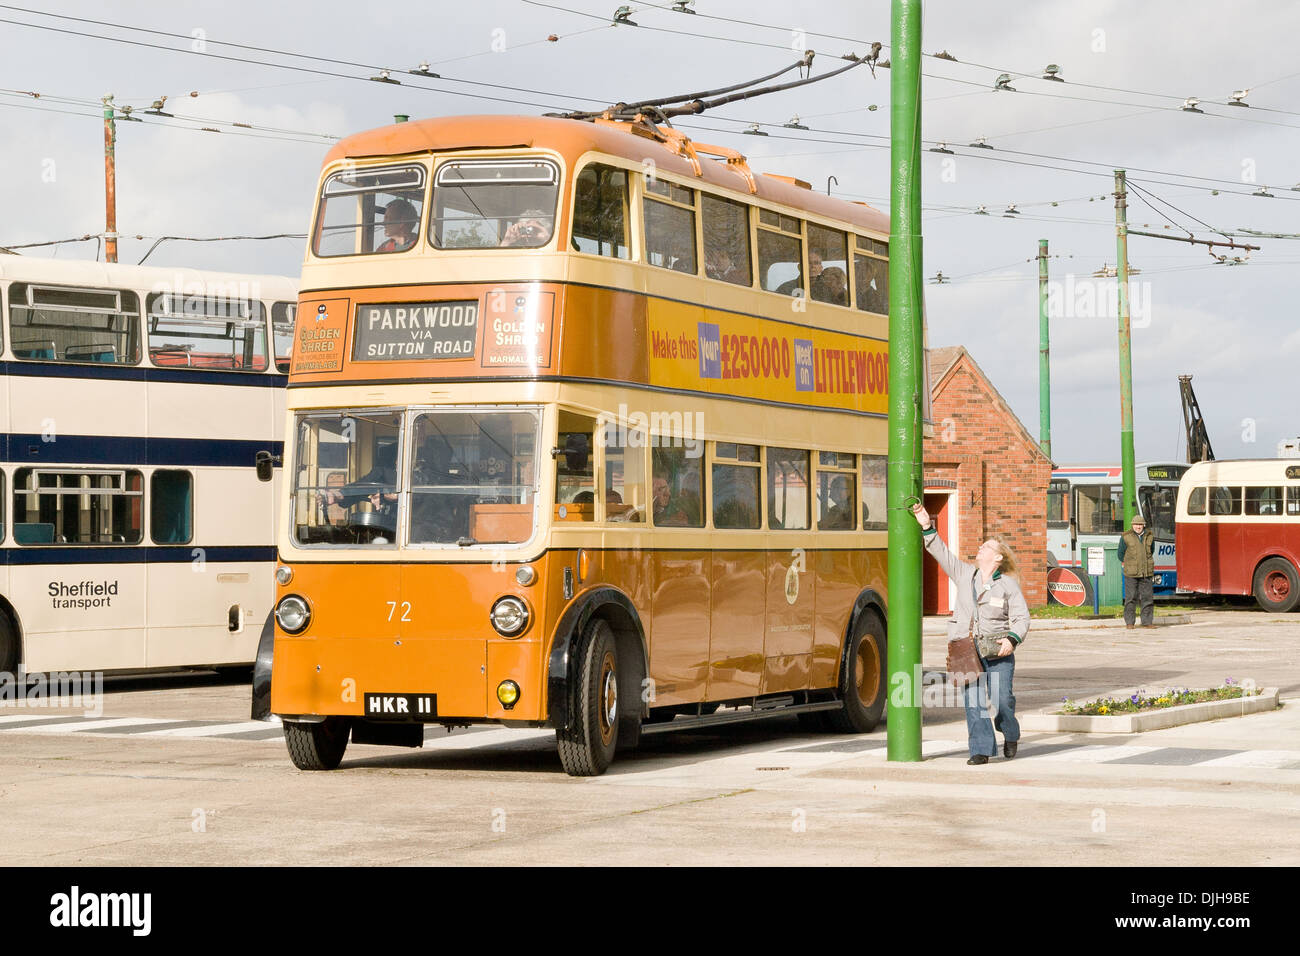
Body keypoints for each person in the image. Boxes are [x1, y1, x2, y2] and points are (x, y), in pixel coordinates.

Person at [912, 502, 1029, 765]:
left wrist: (1012, 640)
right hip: (966, 647)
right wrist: (926, 525)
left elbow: (1021, 618)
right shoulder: (966, 574)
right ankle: (980, 749)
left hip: (998, 650)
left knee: (1002, 701)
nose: (981, 548)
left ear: (998, 557)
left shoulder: (1008, 585)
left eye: (987, 547)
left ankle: (1010, 732)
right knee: (974, 701)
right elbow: (942, 554)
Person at [1119, 514, 1156, 628]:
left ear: (1144, 525)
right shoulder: (1125, 536)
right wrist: (1128, 563)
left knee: (1147, 598)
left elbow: (1152, 550)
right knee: (1130, 598)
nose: (1138, 527)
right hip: (1131, 573)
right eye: (1136, 524)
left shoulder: (1150, 536)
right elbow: (1120, 553)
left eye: (1140, 524)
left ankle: (1147, 622)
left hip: (1146, 572)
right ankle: (1130, 623)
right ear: (1132, 525)